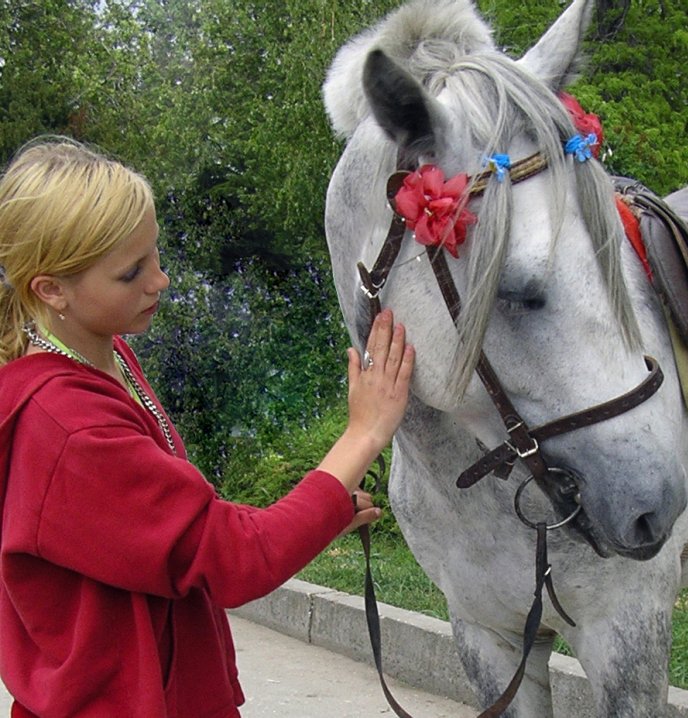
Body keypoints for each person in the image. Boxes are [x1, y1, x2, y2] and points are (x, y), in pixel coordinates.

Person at [0, 137, 414, 717]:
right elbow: (234, 560)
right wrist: (364, 433)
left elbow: (182, 529)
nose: (159, 281)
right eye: (130, 273)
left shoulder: (104, 357)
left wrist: (323, 511)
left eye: (155, 256)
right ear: (51, 289)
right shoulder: (70, 430)